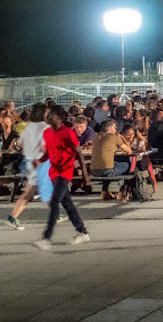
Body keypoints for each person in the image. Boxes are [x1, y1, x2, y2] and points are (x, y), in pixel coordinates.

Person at [34, 106, 90, 249]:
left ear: (59, 117)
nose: (47, 117)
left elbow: (78, 153)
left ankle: (46, 237)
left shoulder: (68, 133)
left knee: (54, 202)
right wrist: (40, 159)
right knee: (68, 204)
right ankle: (82, 232)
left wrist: (85, 174)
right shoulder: (47, 133)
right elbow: (49, 151)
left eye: (50, 115)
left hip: (64, 172)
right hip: (53, 172)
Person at [6, 103, 48, 230]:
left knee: (32, 191)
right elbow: (46, 145)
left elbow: (20, 143)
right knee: (42, 189)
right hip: (39, 162)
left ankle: (13, 217)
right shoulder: (44, 127)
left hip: (29, 161)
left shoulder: (29, 127)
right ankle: (56, 214)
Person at [91, 120, 133, 200]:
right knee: (128, 165)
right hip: (107, 170)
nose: (116, 128)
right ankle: (123, 190)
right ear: (110, 128)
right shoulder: (114, 137)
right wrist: (123, 138)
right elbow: (129, 151)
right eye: (114, 127)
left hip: (94, 170)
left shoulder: (96, 136)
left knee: (110, 163)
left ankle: (105, 191)